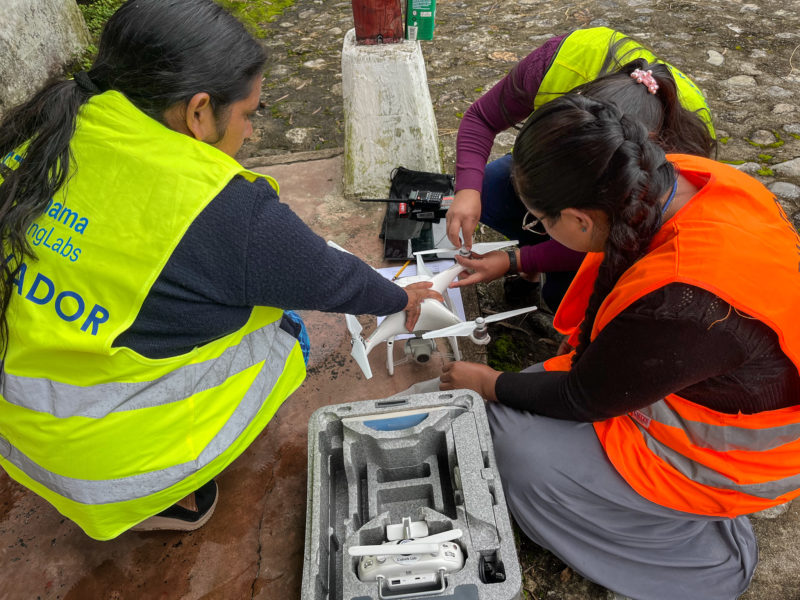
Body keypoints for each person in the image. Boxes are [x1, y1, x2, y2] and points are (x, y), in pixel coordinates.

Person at [0, 0, 440, 541]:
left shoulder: (43, 132)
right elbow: (331, 278)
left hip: (19, 430)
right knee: (286, 334)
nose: (252, 133)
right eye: (250, 113)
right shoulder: (221, 208)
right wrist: (403, 298)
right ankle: (163, 489)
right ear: (199, 111)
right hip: (100, 468)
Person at [439, 93, 800, 599]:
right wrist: (515, 263)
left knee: (517, 456)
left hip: (734, 456)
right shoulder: (670, 180)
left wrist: (487, 381)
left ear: (581, 220)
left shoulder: (682, 300)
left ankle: (700, 560)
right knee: (512, 406)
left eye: (539, 221)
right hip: (687, 378)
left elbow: (584, 398)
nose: (539, 231)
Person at [448, 27, 716, 309]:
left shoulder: (675, 162)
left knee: (568, 299)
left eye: (542, 220)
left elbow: (619, 233)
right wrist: (468, 188)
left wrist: (516, 260)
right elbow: (481, 116)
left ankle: (548, 270)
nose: (538, 223)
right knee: (490, 187)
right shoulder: (561, 63)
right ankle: (539, 264)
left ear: (583, 218)